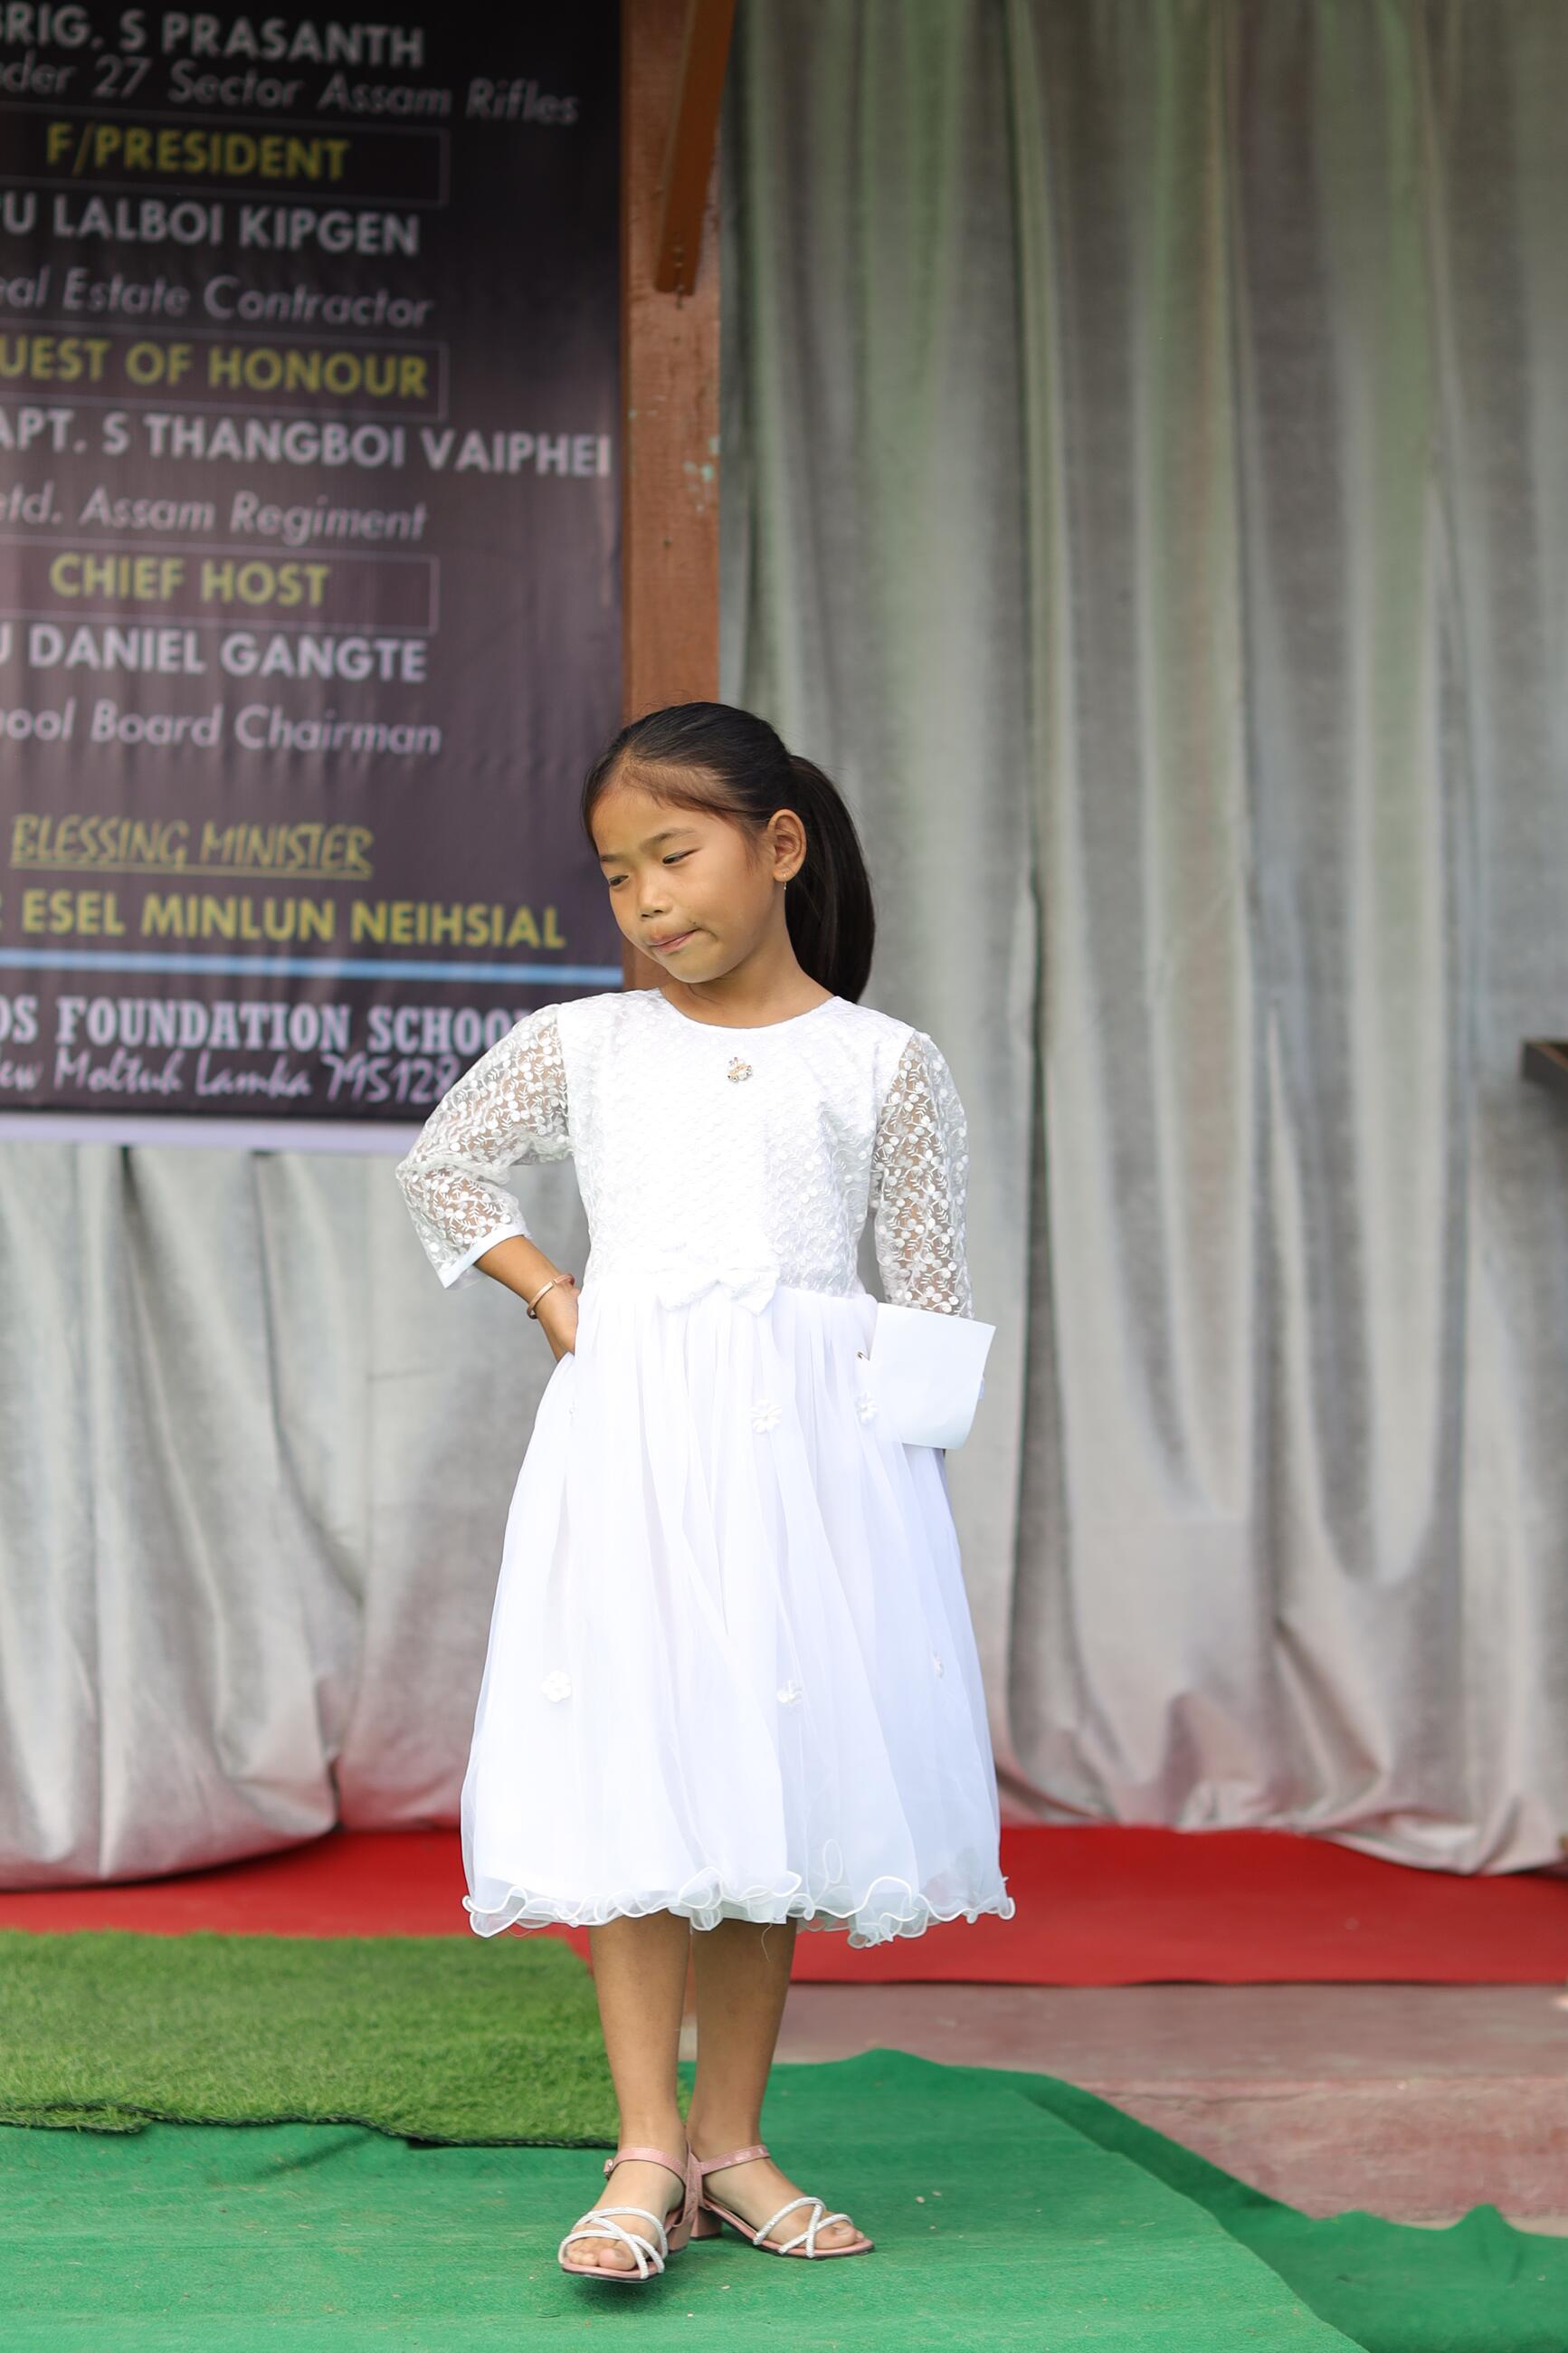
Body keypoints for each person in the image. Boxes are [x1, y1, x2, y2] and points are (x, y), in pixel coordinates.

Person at [394, 700, 1012, 2287]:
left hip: (813, 1470)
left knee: (765, 1786)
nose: (648, 902)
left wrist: (889, 1511)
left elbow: (929, 1296)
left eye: (674, 857)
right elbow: (445, 1164)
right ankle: (642, 2146)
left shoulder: (880, 1064)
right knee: (642, 1767)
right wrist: (555, 1296)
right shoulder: (587, 1046)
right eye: (617, 876)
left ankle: (730, 2145)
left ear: (778, 846)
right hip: (637, 1453)